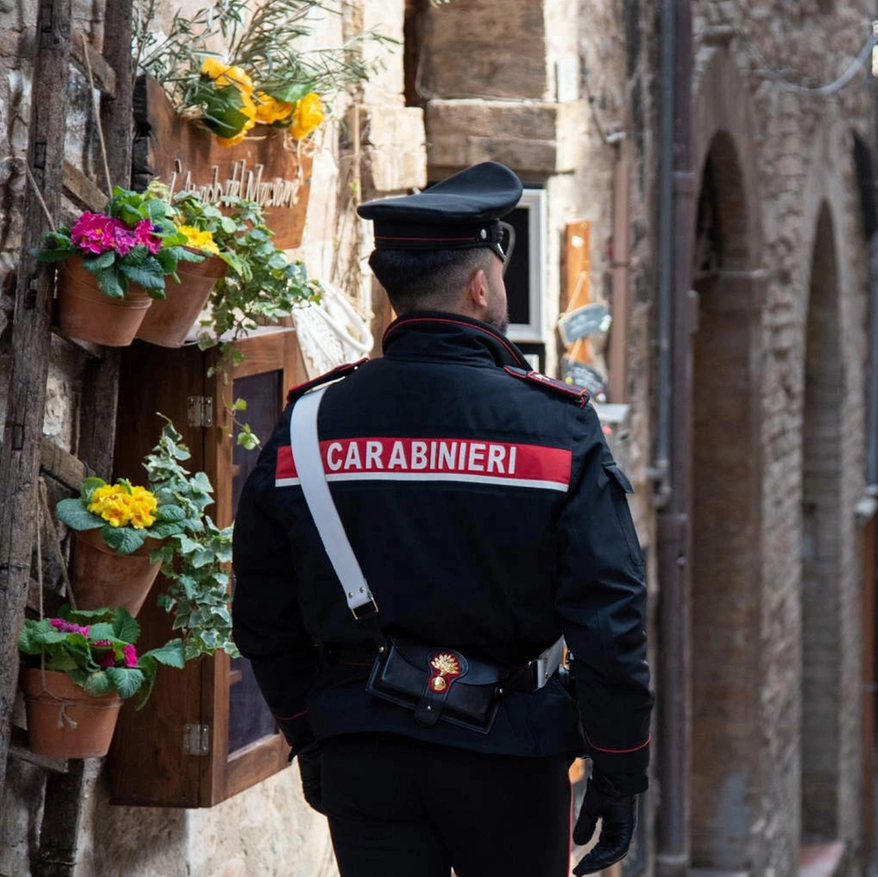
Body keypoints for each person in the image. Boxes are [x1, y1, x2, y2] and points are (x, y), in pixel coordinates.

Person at [233, 162, 653, 877]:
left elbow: (263, 613)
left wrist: (313, 734)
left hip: (365, 750)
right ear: (480, 285)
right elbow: (610, 617)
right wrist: (617, 764)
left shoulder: (308, 424)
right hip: (513, 752)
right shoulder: (555, 427)